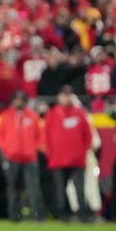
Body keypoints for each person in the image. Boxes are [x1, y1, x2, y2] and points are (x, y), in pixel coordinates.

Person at [0, 91, 44, 221]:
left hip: (29, 158)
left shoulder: (32, 116)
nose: (18, 102)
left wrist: (33, 149)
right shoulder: (6, 116)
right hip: (12, 158)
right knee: (12, 188)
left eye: (21, 100)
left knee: (33, 187)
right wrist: (6, 151)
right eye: (16, 99)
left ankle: (37, 215)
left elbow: (39, 136)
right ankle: (14, 215)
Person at [44, 85, 91, 222]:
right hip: (58, 159)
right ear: (59, 96)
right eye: (64, 94)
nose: (66, 97)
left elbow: (87, 135)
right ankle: (63, 214)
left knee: (79, 188)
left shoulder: (79, 113)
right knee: (60, 189)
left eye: (68, 94)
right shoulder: (52, 114)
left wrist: (83, 151)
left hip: (77, 158)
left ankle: (83, 214)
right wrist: (50, 153)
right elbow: (45, 136)